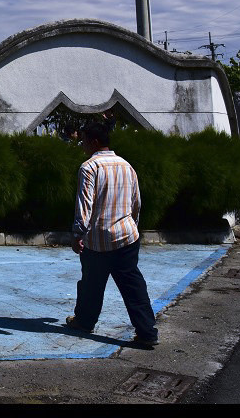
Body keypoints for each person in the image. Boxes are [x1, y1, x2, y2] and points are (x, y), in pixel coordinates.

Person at [65, 122, 159, 348]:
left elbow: (84, 205)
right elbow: (136, 202)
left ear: (94, 142)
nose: (82, 145)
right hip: (127, 236)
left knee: (91, 284)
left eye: (84, 140)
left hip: (98, 239)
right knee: (133, 286)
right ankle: (147, 332)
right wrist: (133, 226)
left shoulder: (89, 167)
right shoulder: (127, 166)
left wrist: (77, 233)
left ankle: (85, 321)